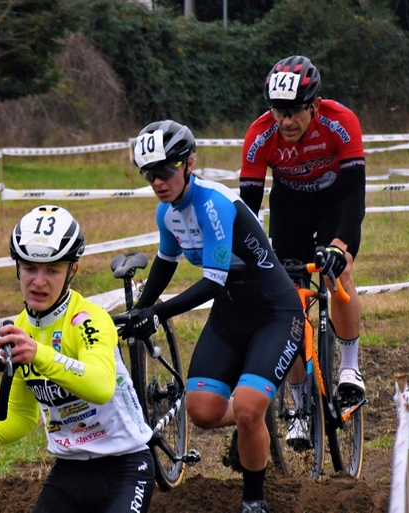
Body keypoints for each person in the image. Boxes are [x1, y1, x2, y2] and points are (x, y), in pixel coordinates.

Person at [124, 120, 304, 513]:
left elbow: (212, 283)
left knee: (245, 408)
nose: (158, 181)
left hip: (275, 310)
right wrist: (138, 310)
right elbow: (165, 262)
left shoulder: (213, 204)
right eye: (150, 174)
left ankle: (254, 500)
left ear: (189, 164)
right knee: (202, 411)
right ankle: (253, 413)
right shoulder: (167, 214)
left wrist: (157, 313)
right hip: (232, 314)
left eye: (167, 170)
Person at [0, 205, 155, 513]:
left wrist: (40, 354)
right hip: (69, 471)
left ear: (72, 270)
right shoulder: (22, 328)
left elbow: (102, 386)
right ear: (17, 268)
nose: (39, 282)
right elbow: (19, 419)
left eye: (52, 270)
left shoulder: (89, 320)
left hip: (126, 467)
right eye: (29, 268)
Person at [239, 55, 368, 449]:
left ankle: (349, 369)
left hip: (334, 202)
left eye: (294, 112)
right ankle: (297, 408)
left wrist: (340, 246)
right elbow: (247, 209)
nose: (286, 122)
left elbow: (354, 197)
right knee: (289, 301)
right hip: (290, 206)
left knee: (338, 272)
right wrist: (250, 260)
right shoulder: (260, 135)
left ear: (314, 105)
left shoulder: (340, 122)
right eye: (279, 112)